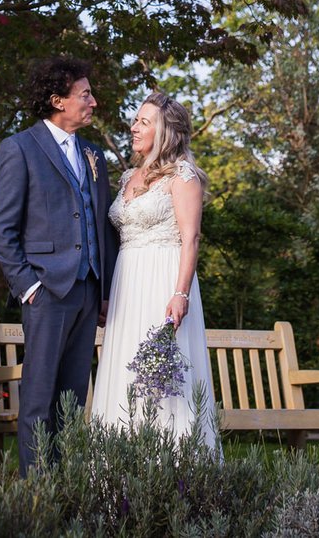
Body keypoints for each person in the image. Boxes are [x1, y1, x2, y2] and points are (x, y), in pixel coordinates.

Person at [0, 57, 119, 474]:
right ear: (57, 100)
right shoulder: (20, 148)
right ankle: (36, 492)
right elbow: (1, 228)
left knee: (72, 399)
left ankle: (64, 487)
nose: (93, 102)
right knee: (39, 398)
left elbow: (103, 228)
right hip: (46, 292)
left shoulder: (95, 155)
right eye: (85, 94)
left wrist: (104, 291)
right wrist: (29, 287)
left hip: (86, 291)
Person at [89, 90, 220, 453]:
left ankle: (176, 476)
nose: (133, 127)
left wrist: (180, 294)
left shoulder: (183, 175)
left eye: (143, 122)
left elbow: (191, 238)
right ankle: (116, 477)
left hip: (164, 280)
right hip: (126, 286)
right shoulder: (127, 176)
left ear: (165, 131)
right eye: (135, 120)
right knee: (124, 373)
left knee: (164, 383)